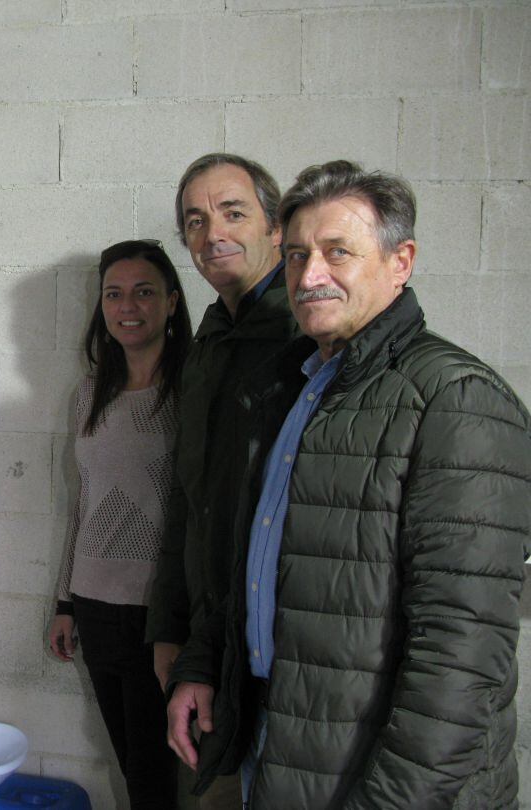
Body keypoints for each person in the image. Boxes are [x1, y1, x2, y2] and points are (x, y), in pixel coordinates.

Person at [167, 160, 531, 809]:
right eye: (300, 254)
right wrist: (203, 665)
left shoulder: (455, 401)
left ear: (401, 261)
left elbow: (462, 661)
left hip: (375, 780)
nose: (310, 277)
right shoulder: (289, 388)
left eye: (339, 253)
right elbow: (246, 560)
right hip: (281, 741)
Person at [144, 154, 298, 806]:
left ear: (278, 225)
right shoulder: (211, 344)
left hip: (287, 651)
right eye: (196, 221)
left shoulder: (306, 335)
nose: (213, 234)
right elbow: (191, 500)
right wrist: (169, 628)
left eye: (233, 212)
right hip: (214, 646)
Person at [48, 239, 192, 809]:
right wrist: (64, 602)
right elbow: (84, 503)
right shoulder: (88, 395)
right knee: (134, 767)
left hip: (159, 613)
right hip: (95, 603)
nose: (127, 305)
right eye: (114, 294)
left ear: (173, 303)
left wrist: (182, 618)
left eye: (144, 292)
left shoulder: (192, 391)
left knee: (158, 773)